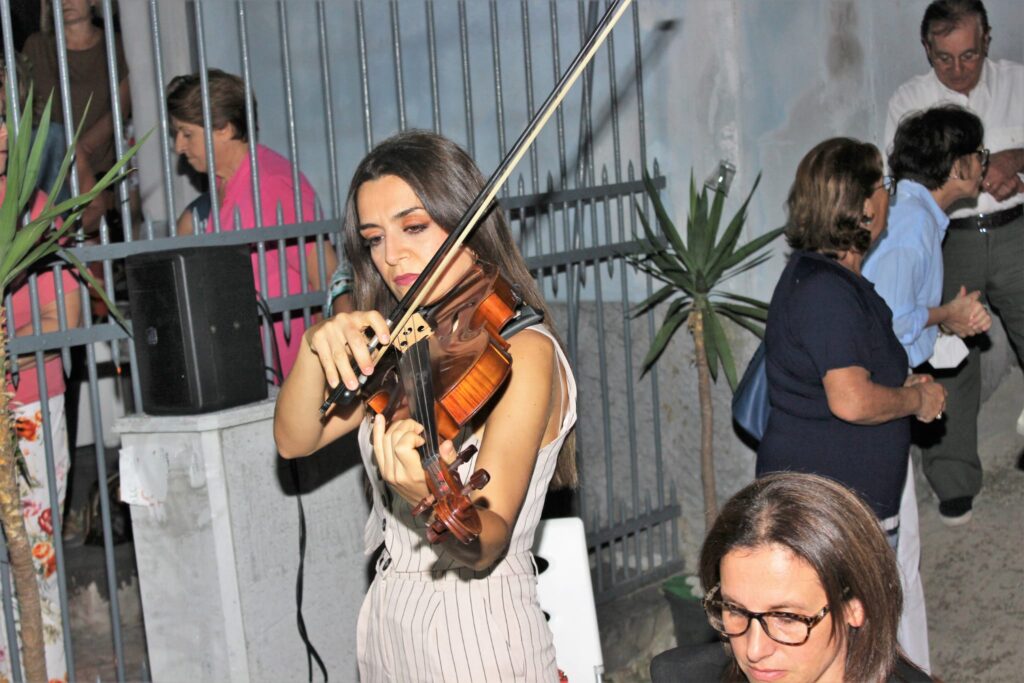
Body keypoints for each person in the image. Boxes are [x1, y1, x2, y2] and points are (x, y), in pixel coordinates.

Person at [273, 130, 577, 681]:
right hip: (390, 623)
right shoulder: (405, 341)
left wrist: (428, 498)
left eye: (413, 227)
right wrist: (316, 346)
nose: (391, 256)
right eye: (374, 239)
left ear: (466, 221)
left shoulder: (523, 351)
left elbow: (488, 542)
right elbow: (295, 439)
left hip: (477, 635)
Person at [756, 138, 947, 534]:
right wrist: (917, 400)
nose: (889, 196)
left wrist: (898, 386)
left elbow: (847, 371)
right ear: (862, 208)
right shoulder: (825, 291)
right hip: (832, 516)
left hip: (842, 507)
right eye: (884, 186)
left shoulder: (832, 279)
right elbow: (852, 400)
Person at [884, 0, 1024, 524]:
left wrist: (1015, 163)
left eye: (968, 55)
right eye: (944, 58)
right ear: (927, 50)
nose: (958, 69)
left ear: (987, 39)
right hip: (950, 240)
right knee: (949, 355)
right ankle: (953, 480)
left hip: (1015, 228)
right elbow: (901, 178)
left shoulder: (1017, 82)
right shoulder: (910, 101)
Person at [862, 104, 992, 671]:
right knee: (893, 559)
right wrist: (948, 316)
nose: (984, 164)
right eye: (979, 155)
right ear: (957, 165)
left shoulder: (918, 214)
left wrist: (946, 324)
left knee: (900, 555)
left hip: (892, 391)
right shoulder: (912, 224)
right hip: (878, 406)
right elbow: (888, 321)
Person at [650, 473, 932, 682]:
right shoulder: (679, 677)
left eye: (786, 617)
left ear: (856, 607)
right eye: (735, 610)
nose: (754, 650)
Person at [166, 69, 337, 379]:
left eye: (186, 134)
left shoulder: (272, 184)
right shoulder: (218, 192)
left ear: (224, 128)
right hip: (245, 370)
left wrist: (330, 368)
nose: (178, 146)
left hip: (290, 372)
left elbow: (329, 278)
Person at [0, 57, 82, 683]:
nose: (4, 134)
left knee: (37, 571)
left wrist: (9, 345)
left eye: (6, 117)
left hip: (28, 409)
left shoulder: (35, 210)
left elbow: (66, 320)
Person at [23, 0, 131, 233]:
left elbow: (120, 108)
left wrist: (80, 149)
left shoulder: (115, 46)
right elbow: (25, 104)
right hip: (50, 171)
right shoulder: (37, 46)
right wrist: (61, 149)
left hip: (102, 170)